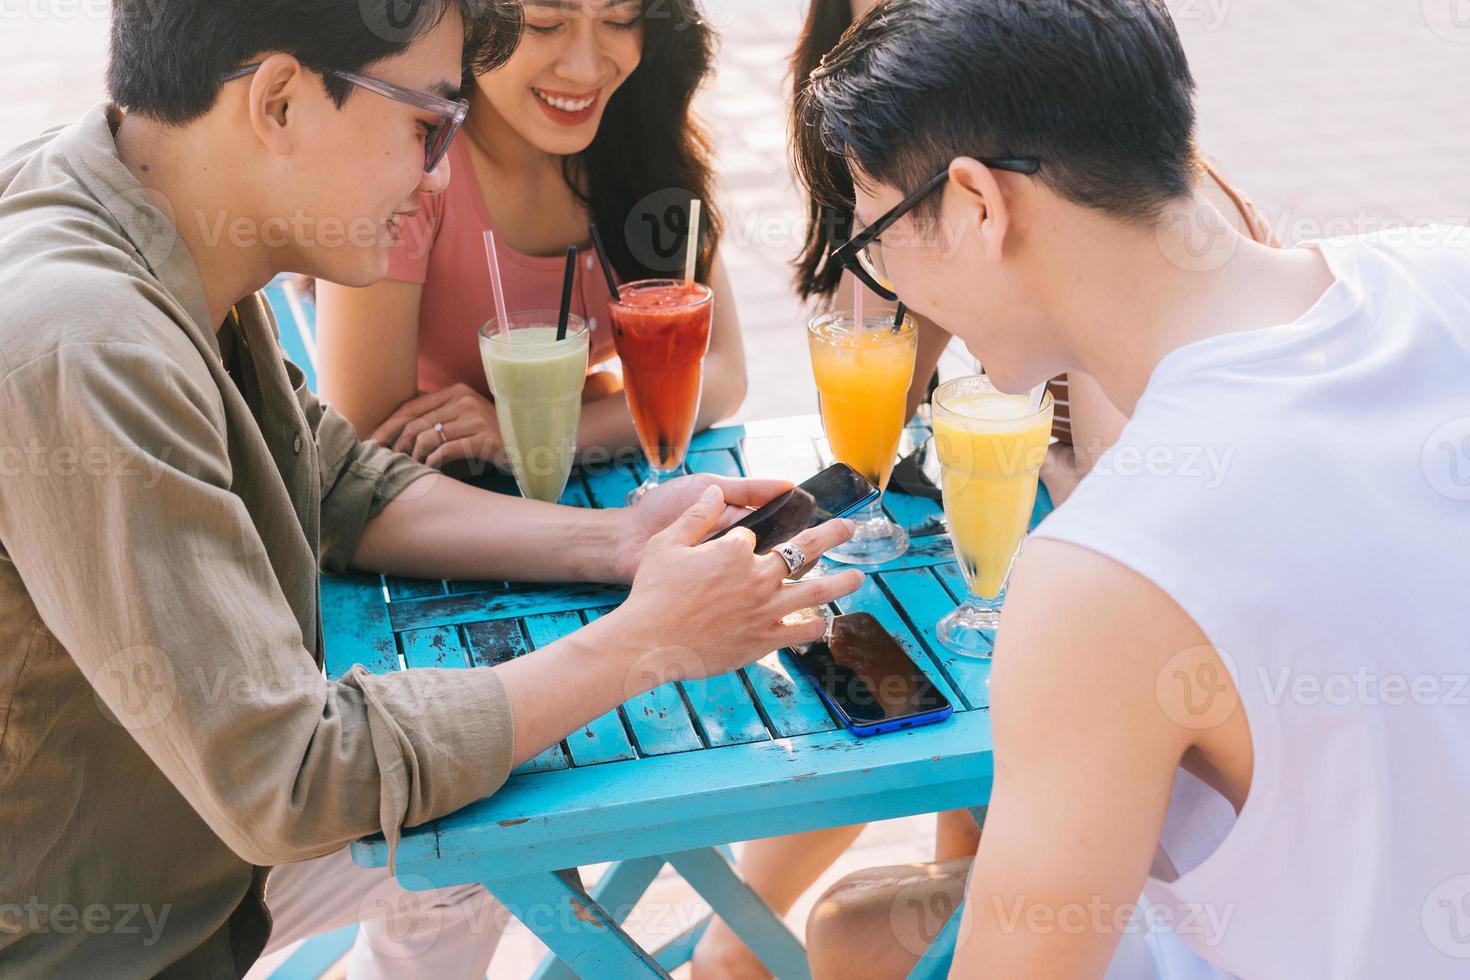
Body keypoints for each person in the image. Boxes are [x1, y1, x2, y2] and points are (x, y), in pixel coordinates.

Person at [0, 1, 864, 975]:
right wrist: (646, 640)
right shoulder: (89, 341)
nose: (438, 174)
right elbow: (292, 775)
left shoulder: (137, 204)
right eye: (427, 126)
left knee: (472, 837)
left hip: (202, 848)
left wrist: (614, 542)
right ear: (279, 102)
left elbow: (339, 477)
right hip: (98, 935)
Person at [791, 0, 1470, 977]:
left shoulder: (1106, 569)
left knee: (852, 932)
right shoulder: (1445, 271)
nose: (891, 286)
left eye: (878, 236)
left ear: (981, 205)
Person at [696, 0, 1279, 974]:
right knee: (886, 669)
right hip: (1064, 630)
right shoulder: (1132, 210)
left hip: (1126, 728)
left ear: (974, 201)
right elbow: (876, 392)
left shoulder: (1120, 509)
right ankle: (735, 936)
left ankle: (732, 942)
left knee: (853, 917)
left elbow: (1127, 540)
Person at [315, 0, 747, 472]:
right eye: (546, 24)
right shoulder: (414, 167)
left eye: (619, 19)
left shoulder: (642, 133)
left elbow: (723, 375)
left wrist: (532, 433)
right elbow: (363, 449)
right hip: (443, 496)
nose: (584, 69)